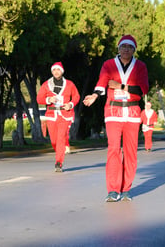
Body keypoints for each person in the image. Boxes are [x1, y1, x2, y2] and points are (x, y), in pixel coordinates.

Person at [83, 35, 149, 202]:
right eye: (123, 46)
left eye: (129, 47)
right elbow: (102, 83)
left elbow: (142, 90)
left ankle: (126, 188)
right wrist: (95, 95)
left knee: (130, 151)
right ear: (118, 48)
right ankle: (113, 189)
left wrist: (121, 86)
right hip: (113, 111)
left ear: (134, 50)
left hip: (133, 113)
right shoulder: (109, 64)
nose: (126, 49)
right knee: (113, 149)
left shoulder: (140, 66)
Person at [37, 62, 80, 172]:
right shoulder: (46, 84)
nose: (56, 72)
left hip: (64, 115)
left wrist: (70, 104)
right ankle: (59, 152)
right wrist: (48, 100)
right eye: (54, 70)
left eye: (58, 70)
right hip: (51, 115)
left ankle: (59, 162)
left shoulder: (69, 84)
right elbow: (39, 99)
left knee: (61, 138)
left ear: (62, 71)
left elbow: (76, 96)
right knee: (54, 140)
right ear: (52, 72)